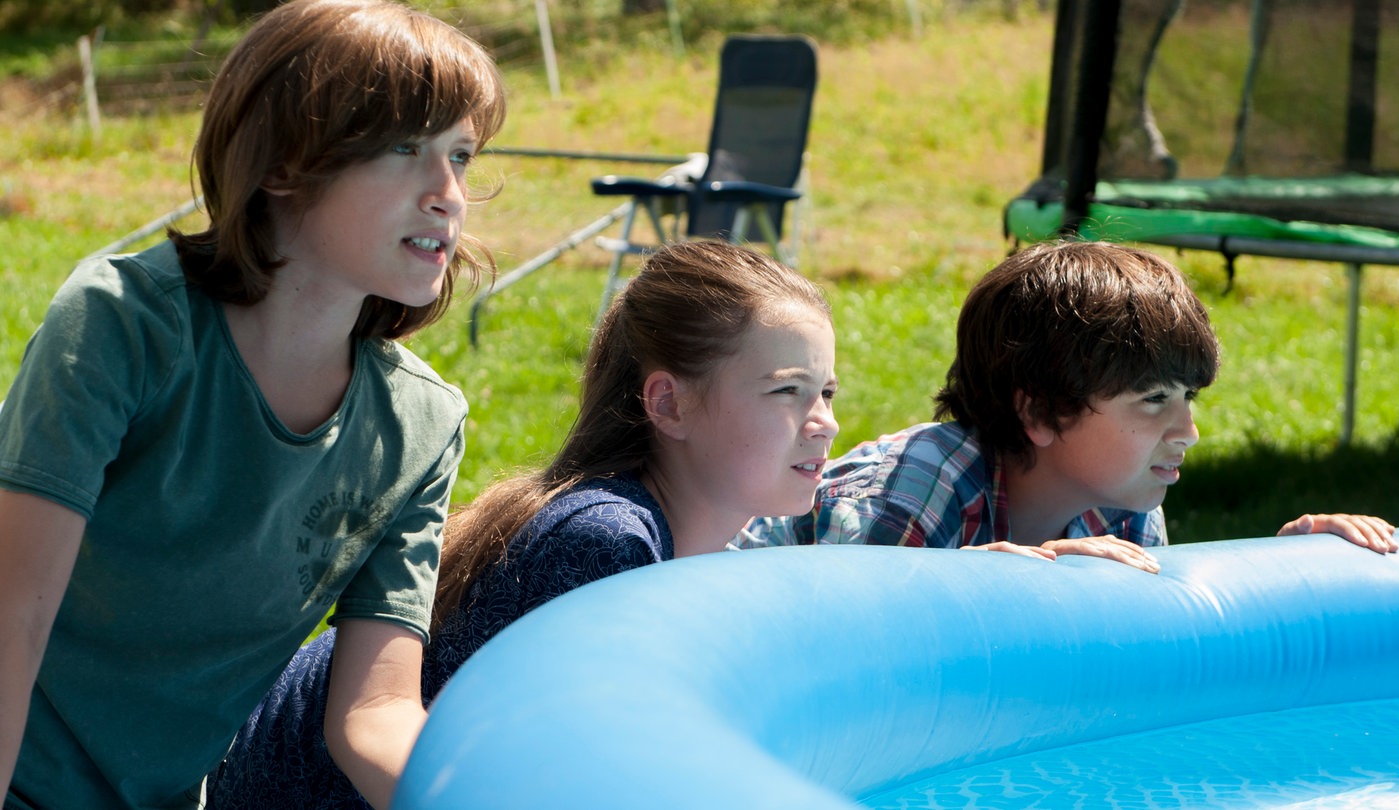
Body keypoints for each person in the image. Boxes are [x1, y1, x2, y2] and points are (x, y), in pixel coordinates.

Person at [0, 1, 506, 807]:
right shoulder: (123, 325)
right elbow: (10, 622)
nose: (449, 193)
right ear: (284, 165)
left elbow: (373, 714)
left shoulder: (422, 424)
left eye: (462, 155)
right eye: (406, 148)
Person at [205, 240, 840, 808]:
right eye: (787, 392)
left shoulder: (656, 539)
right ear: (668, 403)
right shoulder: (605, 544)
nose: (825, 422)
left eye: (827, 392)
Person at [741, 240, 1398, 566]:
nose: (1188, 431)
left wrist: (1285, 566)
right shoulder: (910, 499)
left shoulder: (1121, 503)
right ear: (1041, 413)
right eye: (1153, 401)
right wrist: (977, 589)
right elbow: (847, 658)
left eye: (1188, 398)